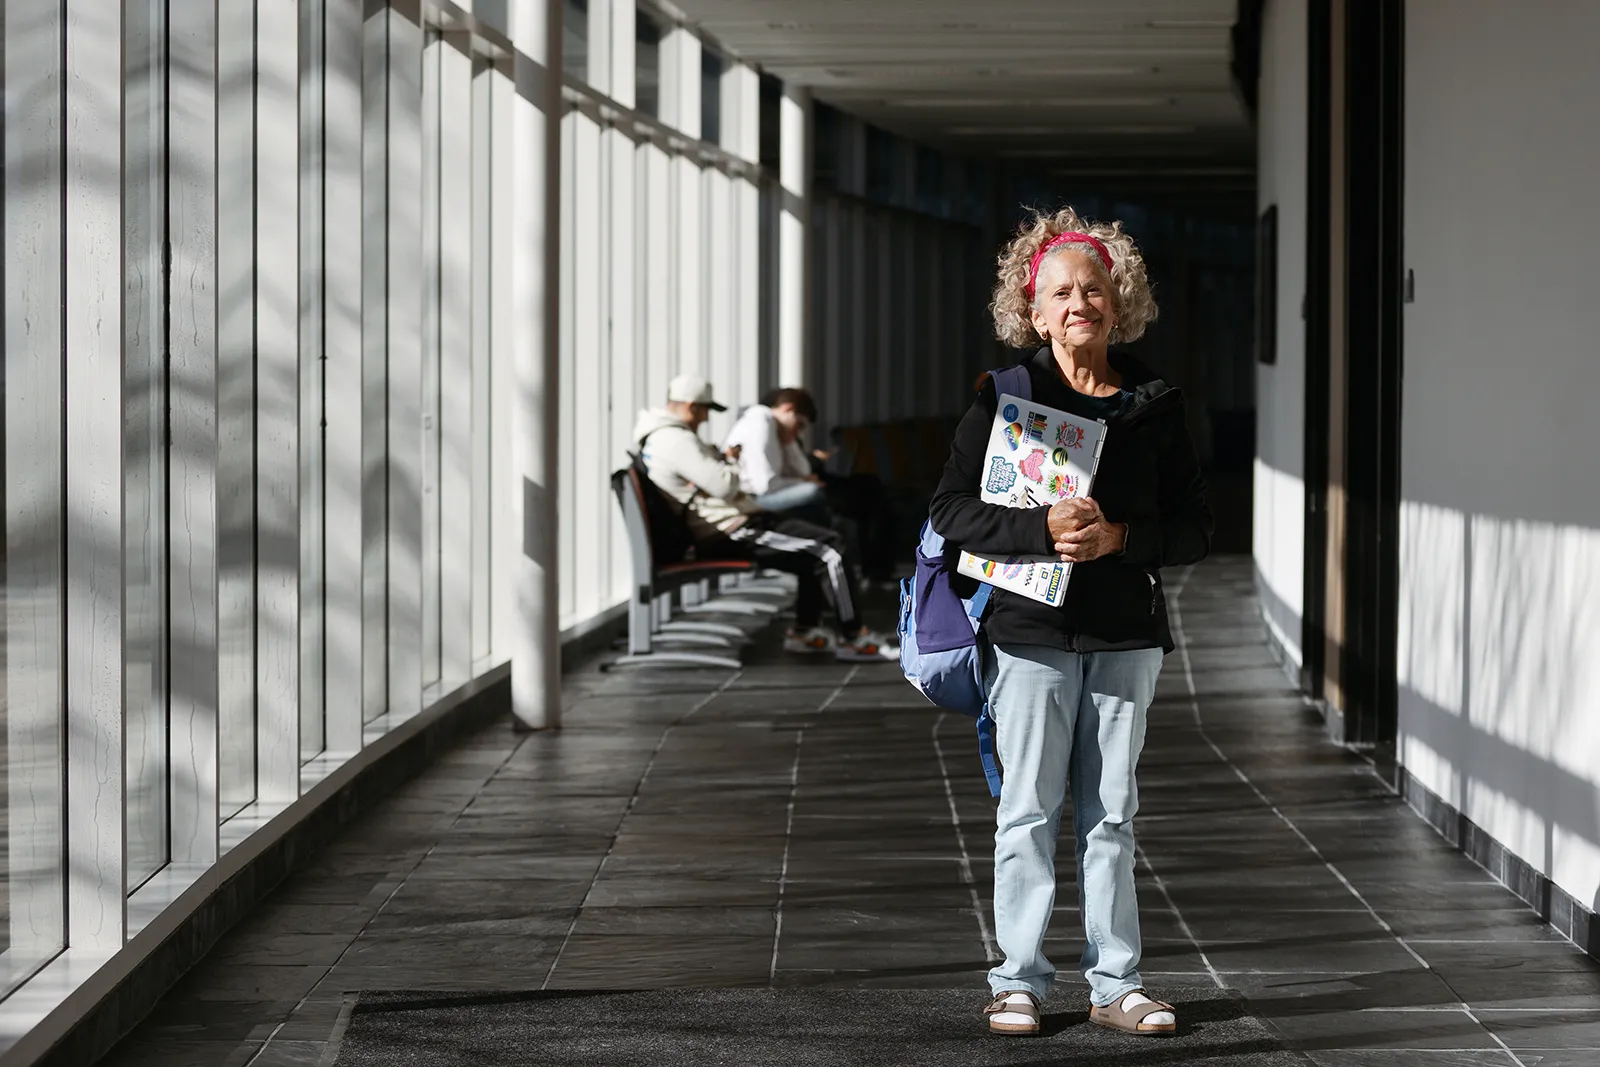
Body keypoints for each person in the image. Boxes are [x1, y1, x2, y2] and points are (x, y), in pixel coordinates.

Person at [928, 209, 1213, 1036]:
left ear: (1118, 304)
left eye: (1093, 288)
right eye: (1060, 292)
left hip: (1126, 633)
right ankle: (1017, 981)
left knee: (1111, 813)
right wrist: (1038, 529)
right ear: (1036, 311)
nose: (1079, 302)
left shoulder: (1154, 404)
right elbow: (949, 510)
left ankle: (1115, 983)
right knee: (1027, 808)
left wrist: (1122, 537)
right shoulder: (1005, 397)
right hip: (1027, 631)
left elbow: (1198, 528)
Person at [630, 373, 896, 662]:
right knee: (831, 549)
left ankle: (806, 631)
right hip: (732, 529)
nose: (706, 419)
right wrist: (731, 461)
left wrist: (722, 463)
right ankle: (854, 637)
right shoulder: (674, 440)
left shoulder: (663, 439)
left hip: (733, 523)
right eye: (705, 410)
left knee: (817, 548)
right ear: (692, 406)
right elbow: (725, 486)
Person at [722, 387, 832, 525]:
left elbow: (804, 471)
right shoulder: (760, 421)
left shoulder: (777, 429)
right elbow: (765, 486)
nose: (798, 432)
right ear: (787, 408)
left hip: (759, 495)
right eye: (799, 425)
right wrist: (802, 481)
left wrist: (789, 443)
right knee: (813, 492)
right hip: (748, 499)